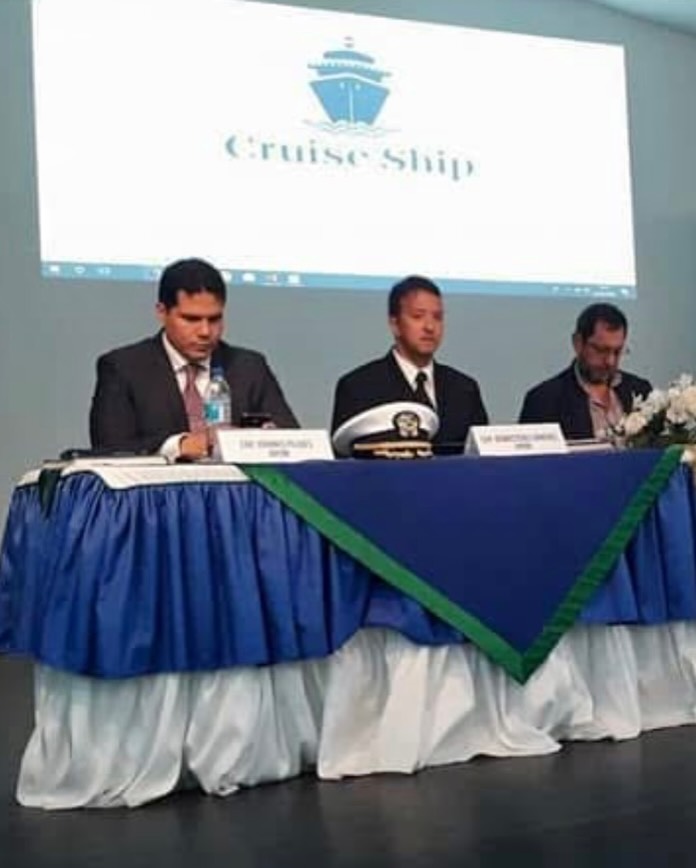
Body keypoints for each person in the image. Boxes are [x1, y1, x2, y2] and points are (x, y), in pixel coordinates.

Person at [89, 257, 298, 459]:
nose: (205, 332)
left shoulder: (249, 367)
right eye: (191, 319)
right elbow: (110, 449)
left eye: (214, 319)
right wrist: (178, 446)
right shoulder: (124, 368)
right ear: (162, 312)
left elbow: (292, 441)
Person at [330, 275, 488, 454]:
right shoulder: (358, 387)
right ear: (395, 324)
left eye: (437, 317)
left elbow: (482, 458)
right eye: (418, 316)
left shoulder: (465, 389)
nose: (430, 327)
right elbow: (344, 462)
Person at [518, 303, 651, 440]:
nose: (610, 361)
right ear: (578, 343)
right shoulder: (544, 401)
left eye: (617, 352)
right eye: (601, 351)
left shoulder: (641, 390)